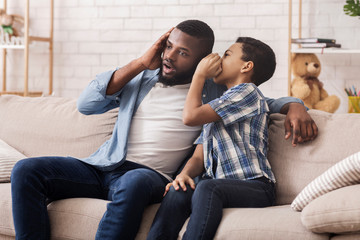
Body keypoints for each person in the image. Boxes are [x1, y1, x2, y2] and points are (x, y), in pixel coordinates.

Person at [10, 20, 317, 240]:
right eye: (169, 47)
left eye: (182, 53)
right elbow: (86, 104)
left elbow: (262, 99)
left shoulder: (212, 90)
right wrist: (140, 63)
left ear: (200, 61)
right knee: (27, 170)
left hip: (149, 175)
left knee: (133, 182)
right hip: (103, 166)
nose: (169, 56)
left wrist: (296, 106)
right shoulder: (142, 79)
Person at [147, 37, 283, 240]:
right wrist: (183, 175)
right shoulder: (218, 105)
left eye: (227, 55)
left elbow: (189, 117)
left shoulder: (248, 93)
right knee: (179, 190)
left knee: (207, 186)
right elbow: (198, 157)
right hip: (221, 185)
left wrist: (200, 74)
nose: (220, 59)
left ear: (246, 66)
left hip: (256, 186)